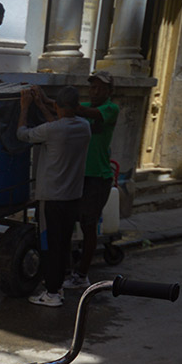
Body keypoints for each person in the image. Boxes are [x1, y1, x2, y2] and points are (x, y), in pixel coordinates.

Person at [16, 85, 91, 307]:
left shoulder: (51, 131)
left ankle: (52, 292)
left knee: (49, 245)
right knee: (63, 243)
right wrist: (42, 105)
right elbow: (57, 127)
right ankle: (58, 286)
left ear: (57, 106)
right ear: (77, 106)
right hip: (72, 197)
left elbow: (22, 134)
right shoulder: (84, 127)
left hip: (51, 198)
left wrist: (25, 108)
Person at [64, 71, 120, 290]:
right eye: (92, 87)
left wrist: (64, 102)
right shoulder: (84, 106)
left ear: (109, 91)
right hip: (80, 176)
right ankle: (69, 269)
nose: (95, 91)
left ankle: (82, 275)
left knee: (89, 225)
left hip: (98, 178)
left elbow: (83, 111)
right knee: (70, 222)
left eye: (100, 88)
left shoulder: (110, 109)